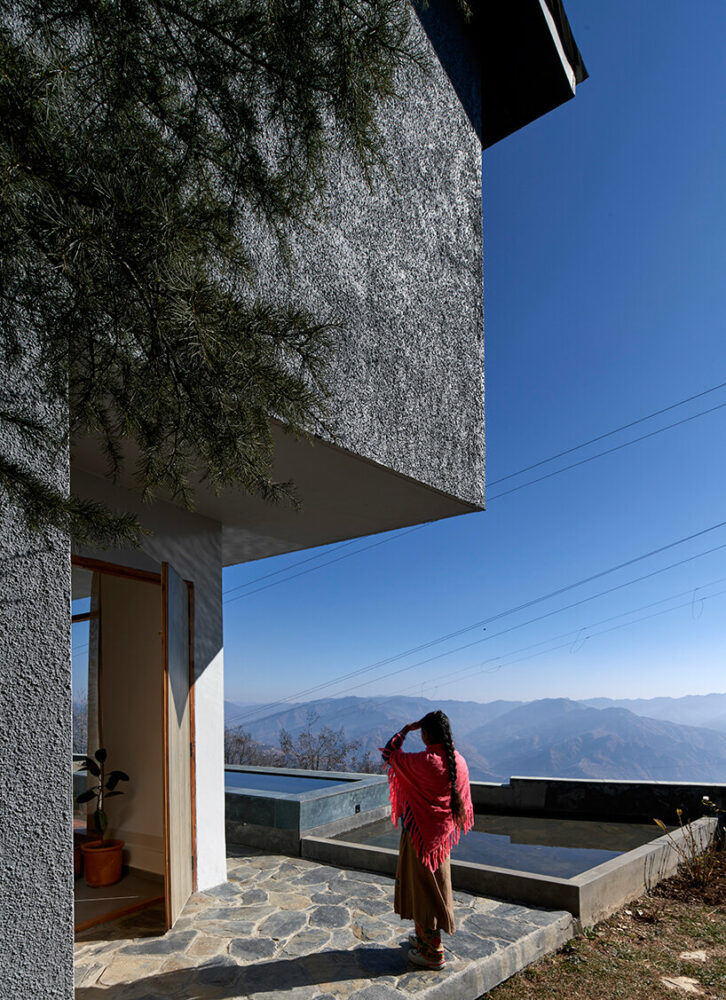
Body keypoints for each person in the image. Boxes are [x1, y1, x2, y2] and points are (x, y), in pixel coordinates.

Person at [380, 710, 474, 970]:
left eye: (422, 731)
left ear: (426, 733)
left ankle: (433, 952)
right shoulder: (459, 761)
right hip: (440, 840)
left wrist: (404, 731)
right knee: (434, 887)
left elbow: (388, 754)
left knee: (423, 891)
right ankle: (424, 939)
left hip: (420, 839)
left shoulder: (426, 761)